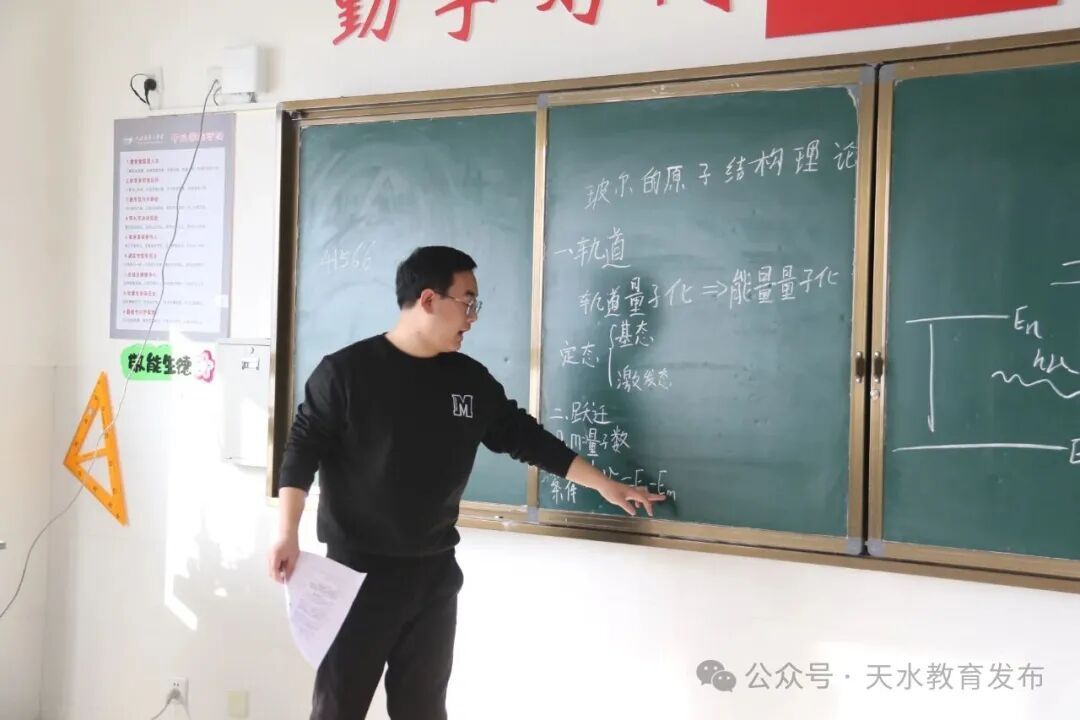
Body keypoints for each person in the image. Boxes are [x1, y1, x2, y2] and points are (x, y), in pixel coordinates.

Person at [268, 245, 666, 720]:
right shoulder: (346, 373)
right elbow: (301, 451)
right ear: (429, 299)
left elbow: (526, 438)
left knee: (424, 709)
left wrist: (603, 484)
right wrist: (287, 532)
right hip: (357, 575)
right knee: (338, 708)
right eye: (468, 302)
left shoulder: (468, 380)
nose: (473, 318)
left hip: (433, 574)